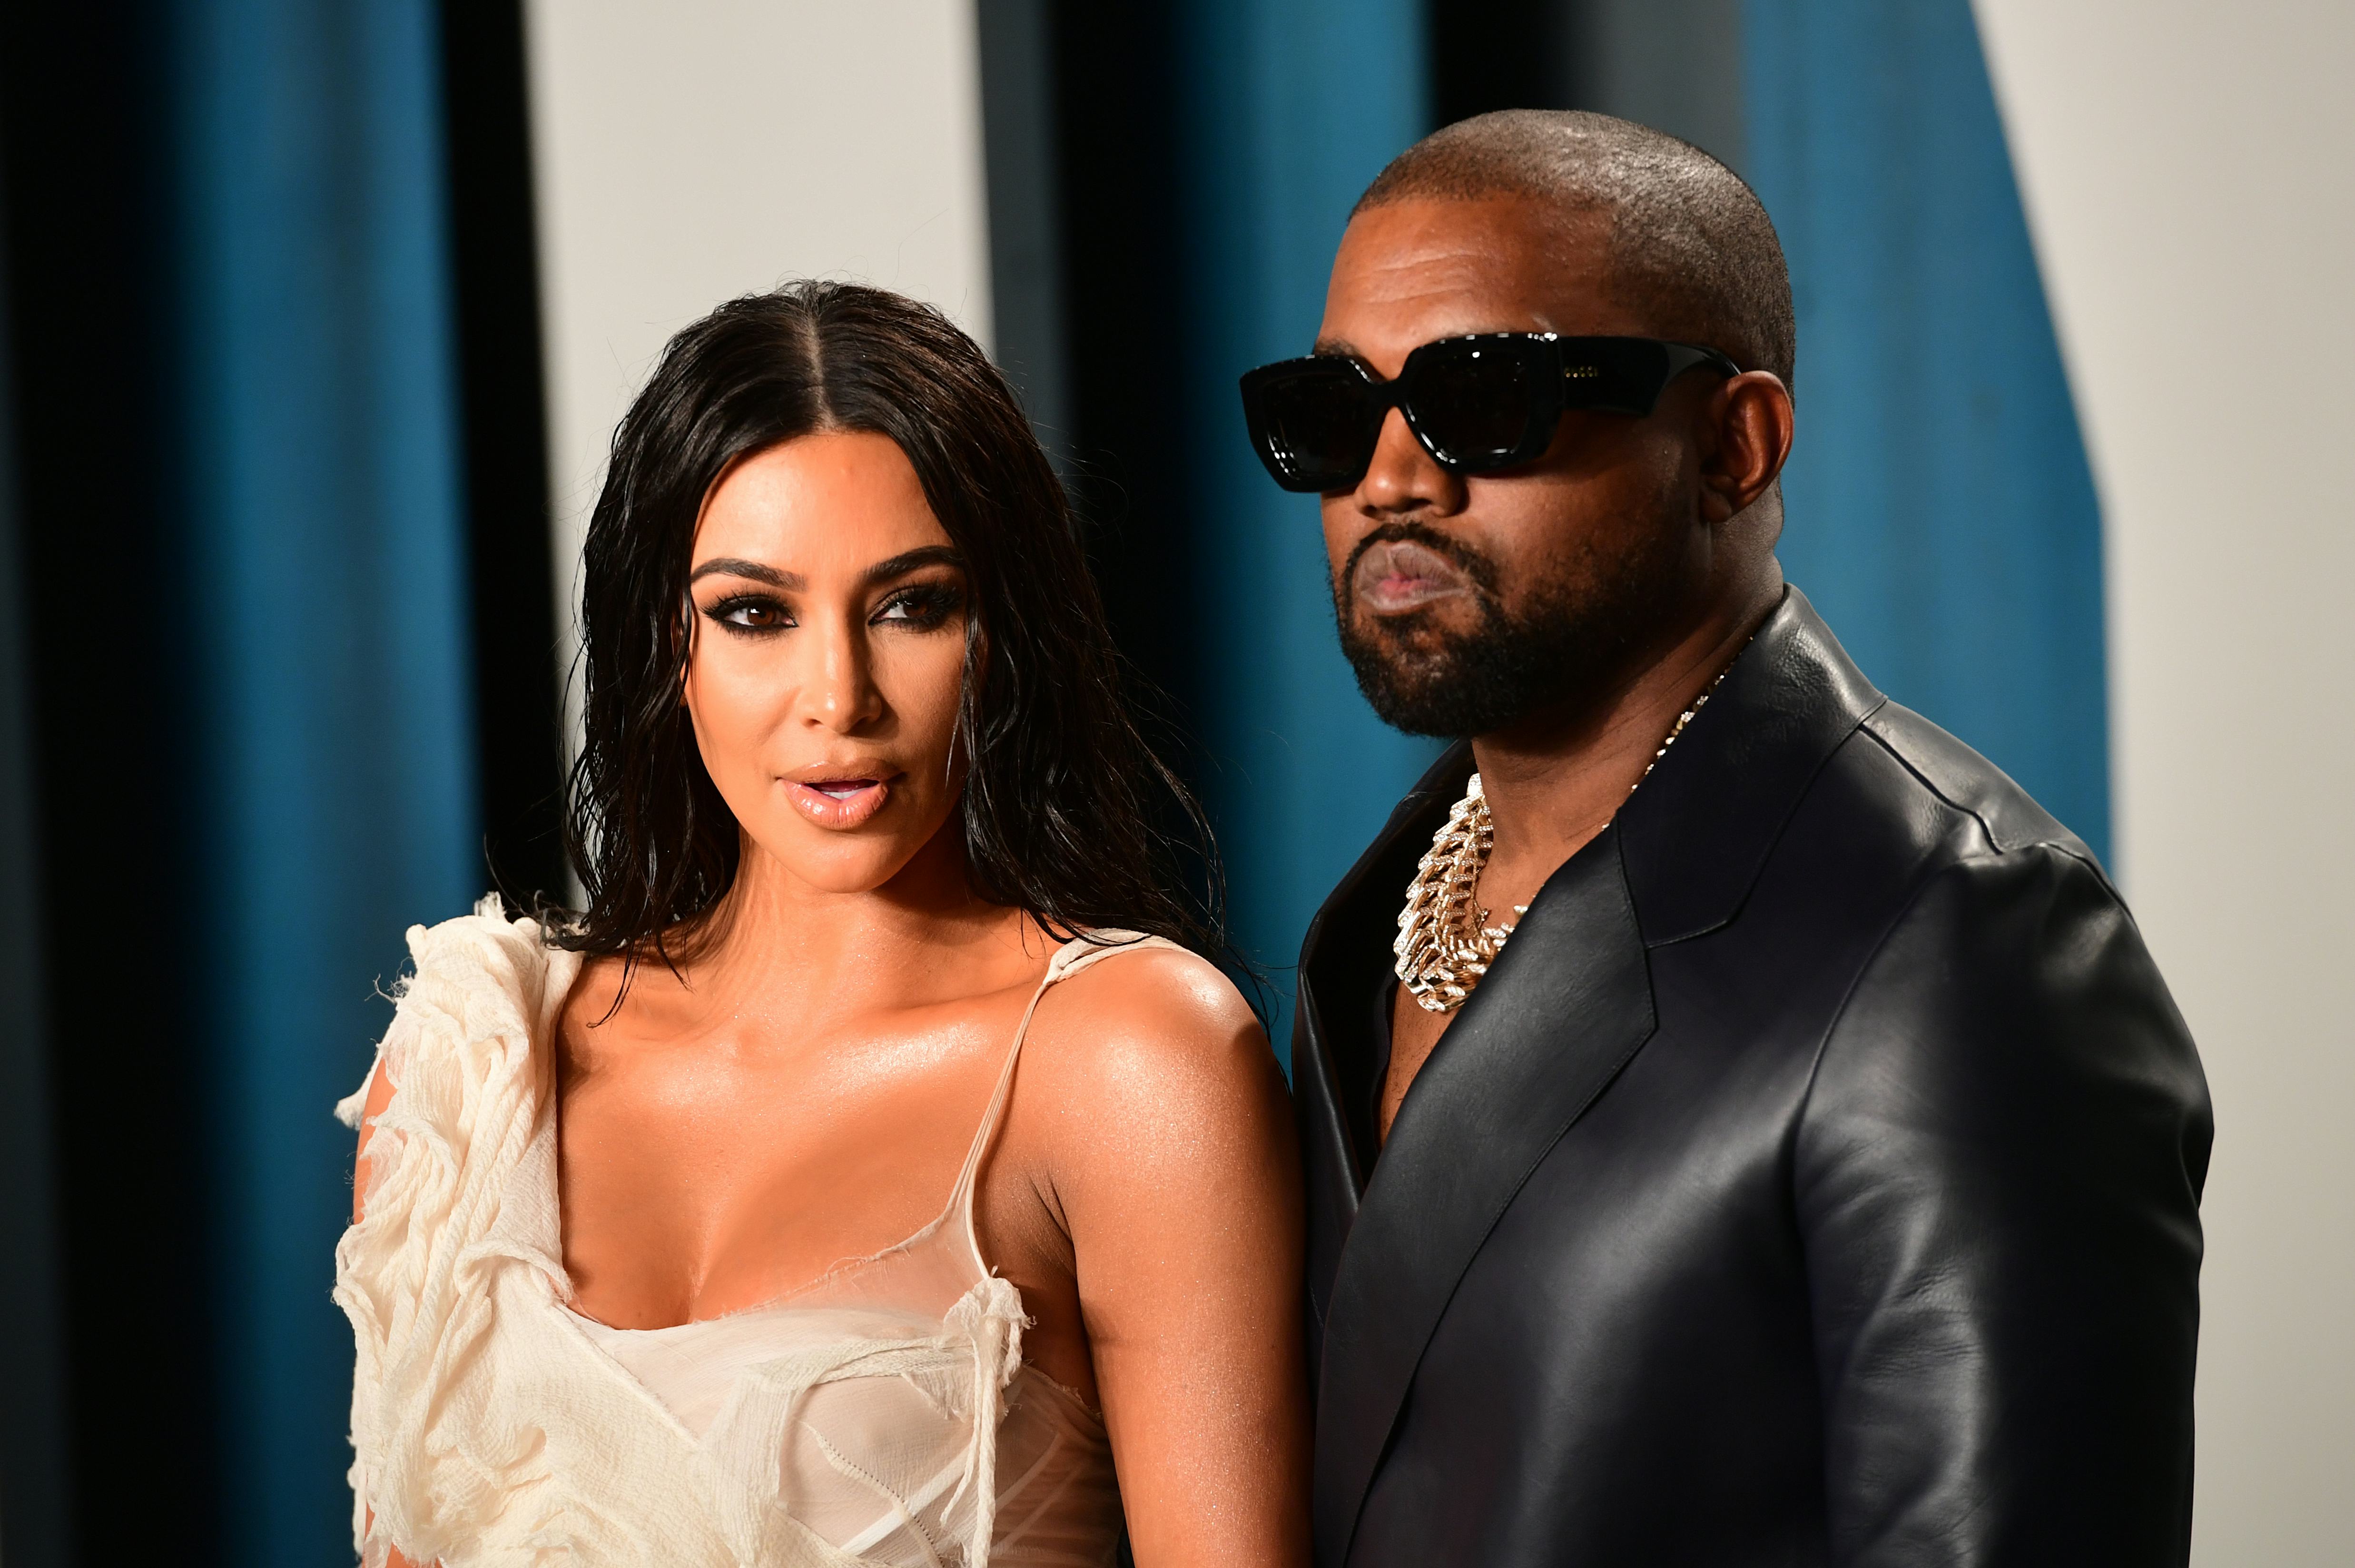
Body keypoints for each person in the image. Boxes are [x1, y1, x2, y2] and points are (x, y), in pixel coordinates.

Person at [1248, 111, 2212, 1566]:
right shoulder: (1374, 913)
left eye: (1485, 396)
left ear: (1731, 445)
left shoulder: (1965, 948)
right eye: (1334, 414)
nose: (1392, 479)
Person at [335, 282, 1311, 1568]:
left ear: (1001, 636)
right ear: (663, 647)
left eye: (913, 605)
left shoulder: (1129, 1057)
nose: (838, 697)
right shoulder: (472, 1067)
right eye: (755, 614)